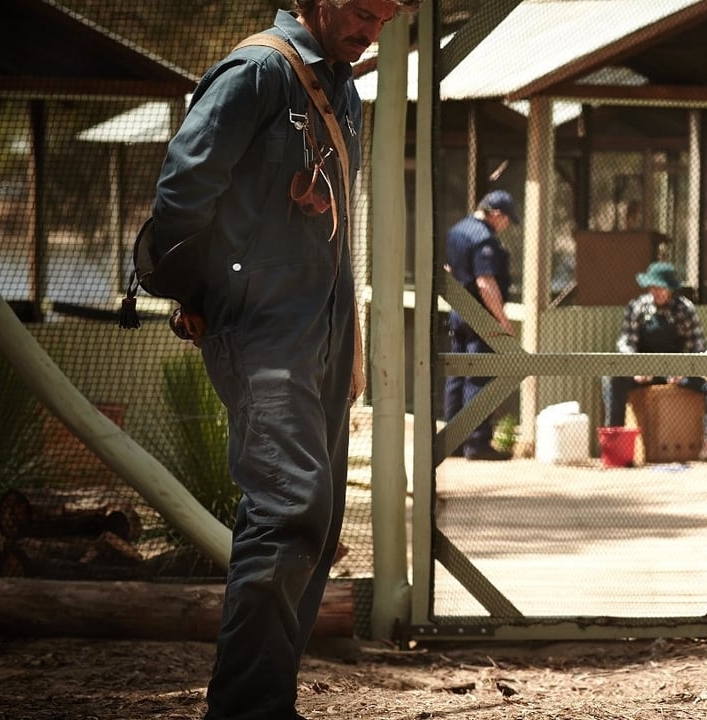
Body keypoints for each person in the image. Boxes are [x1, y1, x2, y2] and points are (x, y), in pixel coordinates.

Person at [147, 1, 408, 718]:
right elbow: (180, 195)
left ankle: (266, 702)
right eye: (362, 10)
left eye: (386, 18)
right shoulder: (257, 72)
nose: (372, 30)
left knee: (315, 521)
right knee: (288, 503)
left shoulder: (340, 84)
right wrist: (195, 294)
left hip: (322, 331)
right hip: (261, 329)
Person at [602, 261, 707, 456]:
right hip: (644, 373)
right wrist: (636, 367)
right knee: (611, 379)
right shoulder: (637, 307)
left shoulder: (684, 309)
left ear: (671, 289)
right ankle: (616, 439)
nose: (656, 291)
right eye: (652, 287)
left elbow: (699, 346)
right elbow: (625, 342)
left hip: (676, 373)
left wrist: (685, 369)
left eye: (660, 287)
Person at [444, 190, 519, 461]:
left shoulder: (457, 231)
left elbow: (448, 270)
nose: (506, 226)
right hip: (480, 317)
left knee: (457, 375)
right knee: (479, 375)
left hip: (458, 311)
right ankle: (476, 443)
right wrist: (502, 321)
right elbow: (485, 283)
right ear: (497, 215)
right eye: (507, 220)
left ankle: (451, 441)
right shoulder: (483, 239)